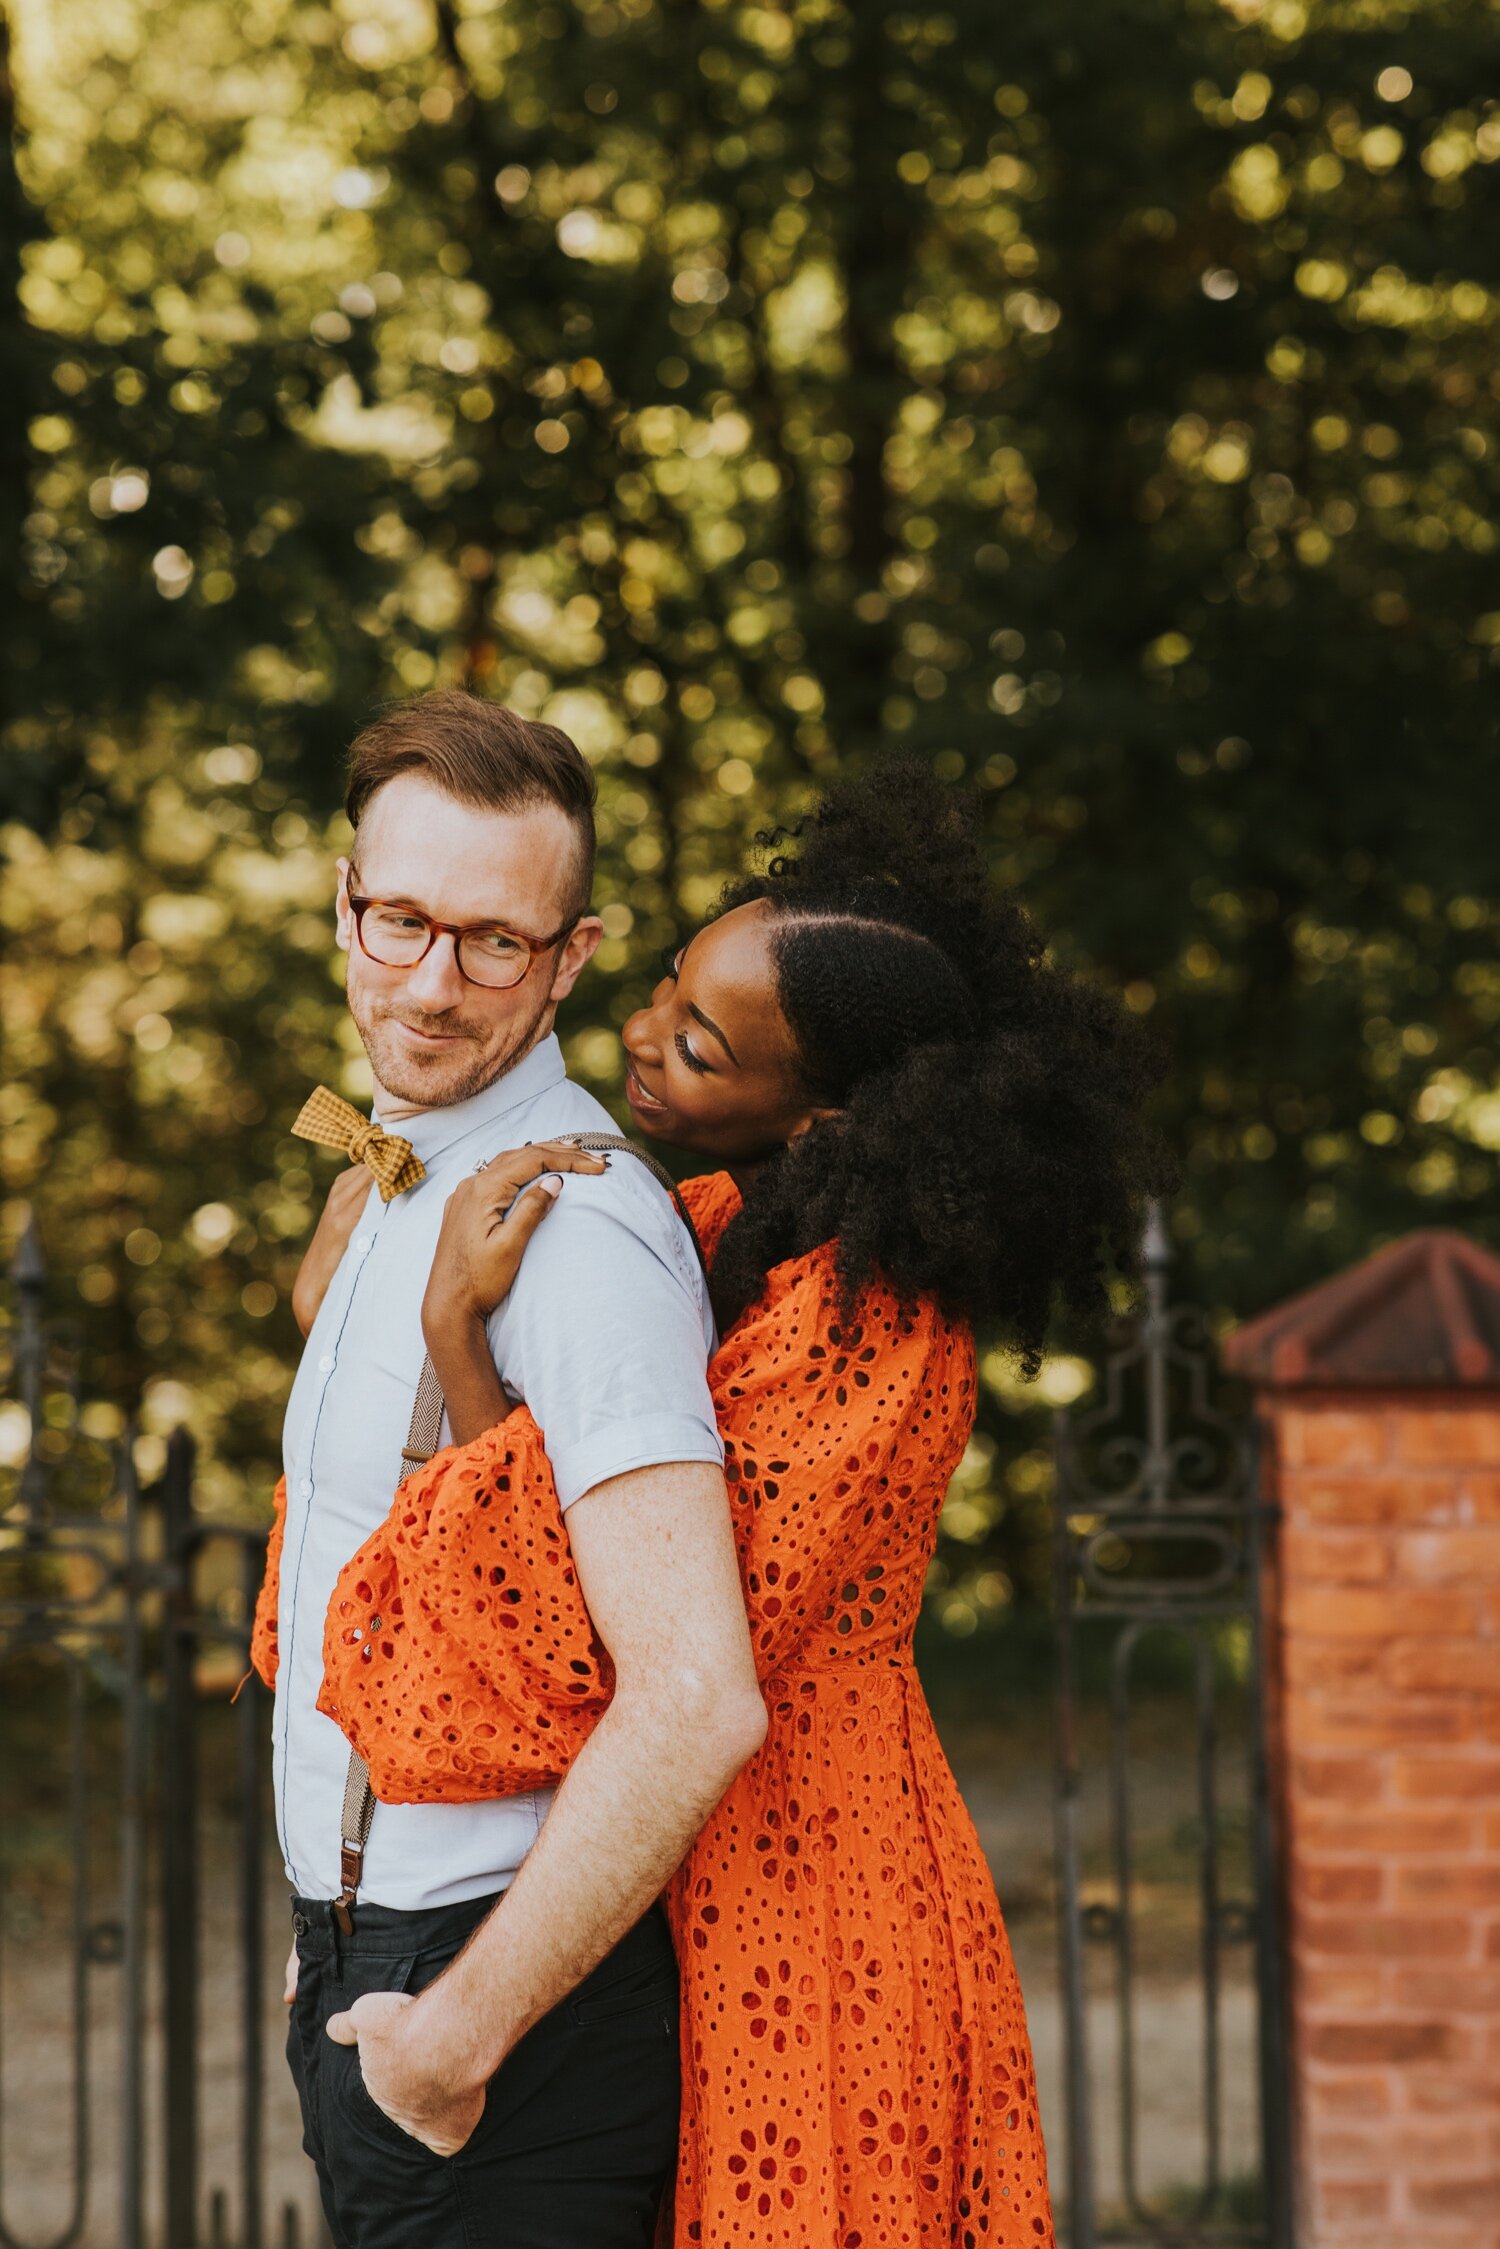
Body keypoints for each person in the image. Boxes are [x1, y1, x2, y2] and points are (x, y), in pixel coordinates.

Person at [271, 757, 1162, 2246]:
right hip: (691, 1848)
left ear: (816, 1116)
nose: (642, 1037)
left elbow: (592, 1636)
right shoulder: (709, 1223)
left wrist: (454, 1344)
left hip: (811, 1860)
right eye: (670, 986)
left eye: (696, 1036)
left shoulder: (863, 1326)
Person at [261, 689, 768, 2249]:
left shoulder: (579, 1227)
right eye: (398, 918)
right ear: (344, 903)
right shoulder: (395, 1168)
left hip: (496, 2031)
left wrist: (452, 2038)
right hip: (377, 1962)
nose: (427, 981)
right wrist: (329, 1926)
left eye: (492, 940)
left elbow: (696, 1693)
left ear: (572, 956)